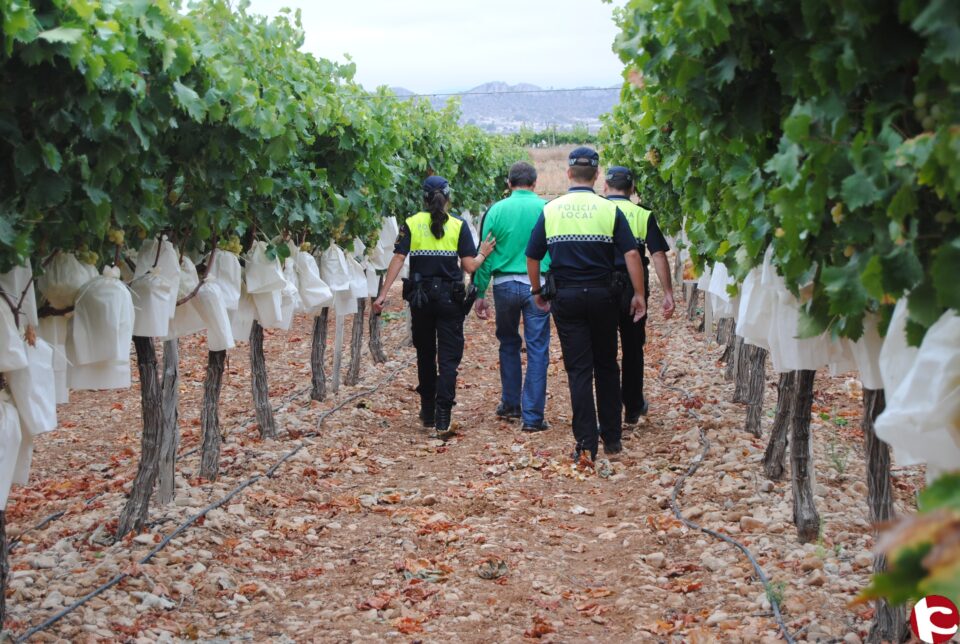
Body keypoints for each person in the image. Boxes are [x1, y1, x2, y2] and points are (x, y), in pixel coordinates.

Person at [525, 147, 647, 461]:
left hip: (566, 298)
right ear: (596, 176)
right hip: (604, 297)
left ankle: (585, 444)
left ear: (568, 174)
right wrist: (638, 294)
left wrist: (537, 290)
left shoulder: (551, 209)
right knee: (606, 364)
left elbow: (533, 255)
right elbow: (632, 254)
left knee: (578, 369)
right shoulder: (609, 210)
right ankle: (613, 438)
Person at [373, 176, 496, 439]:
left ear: (424, 199)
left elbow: (397, 258)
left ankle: (427, 411)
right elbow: (469, 267)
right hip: (450, 300)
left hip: (421, 299)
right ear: (448, 198)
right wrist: (484, 252)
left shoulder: (412, 223)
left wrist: (382, 295)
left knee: (425, 354)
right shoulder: (458, 226)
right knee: (449, 359)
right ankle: (443, 416)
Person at [474, 161, 552, 432]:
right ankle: (532, 417)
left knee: (508, 342)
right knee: (538, 348)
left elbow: (485, 255)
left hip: (504, 285)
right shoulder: (546, 208)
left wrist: (480, 293)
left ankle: (510, 405)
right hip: (537, 285)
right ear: (535, 183)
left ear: (508, 184)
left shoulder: (496, 210)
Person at [604, 166, 675, 423]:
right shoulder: (642, 215)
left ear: (605, 186)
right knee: (633, 346)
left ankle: (609, 407)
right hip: (635, 286)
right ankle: (633, 407)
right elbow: (657, 255)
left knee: (606, 349)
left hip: (603, 286)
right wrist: (668, 292)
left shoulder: (600, 211)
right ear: (632, 189)